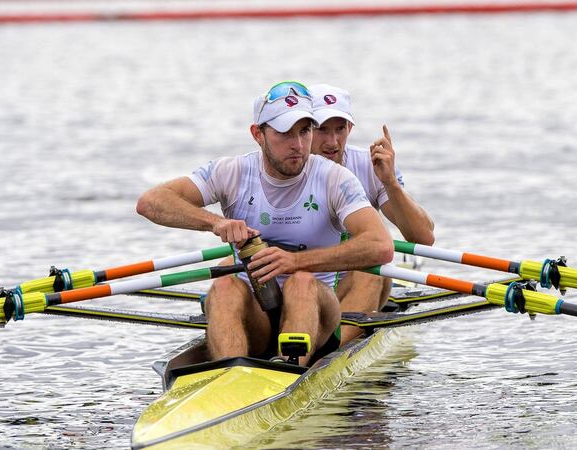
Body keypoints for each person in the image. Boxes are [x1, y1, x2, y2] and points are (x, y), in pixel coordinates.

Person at [136, 81, 394, 365]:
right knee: (224, 286)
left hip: (317, 312)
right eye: (285, 134)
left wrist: (294, 262)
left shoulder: (335, 178)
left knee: (301, 282)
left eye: (305, 131)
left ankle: (289, 370)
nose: (298, 145)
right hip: (257, 312)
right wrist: (215, 223)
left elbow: (380, 246)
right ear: (258, 134)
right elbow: (151, 202)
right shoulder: (231, 172)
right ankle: (229, 377)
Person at [309, 83, 435, 345]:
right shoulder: (287, 167)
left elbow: (423, 238)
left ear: (350, 129)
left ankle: (332, 353)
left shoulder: (369, 165)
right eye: (322, 129)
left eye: (340, 129)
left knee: (371, 268)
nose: (332, 142)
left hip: (354, 285)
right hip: (304, 286)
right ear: (304, 129)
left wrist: (390, 183)